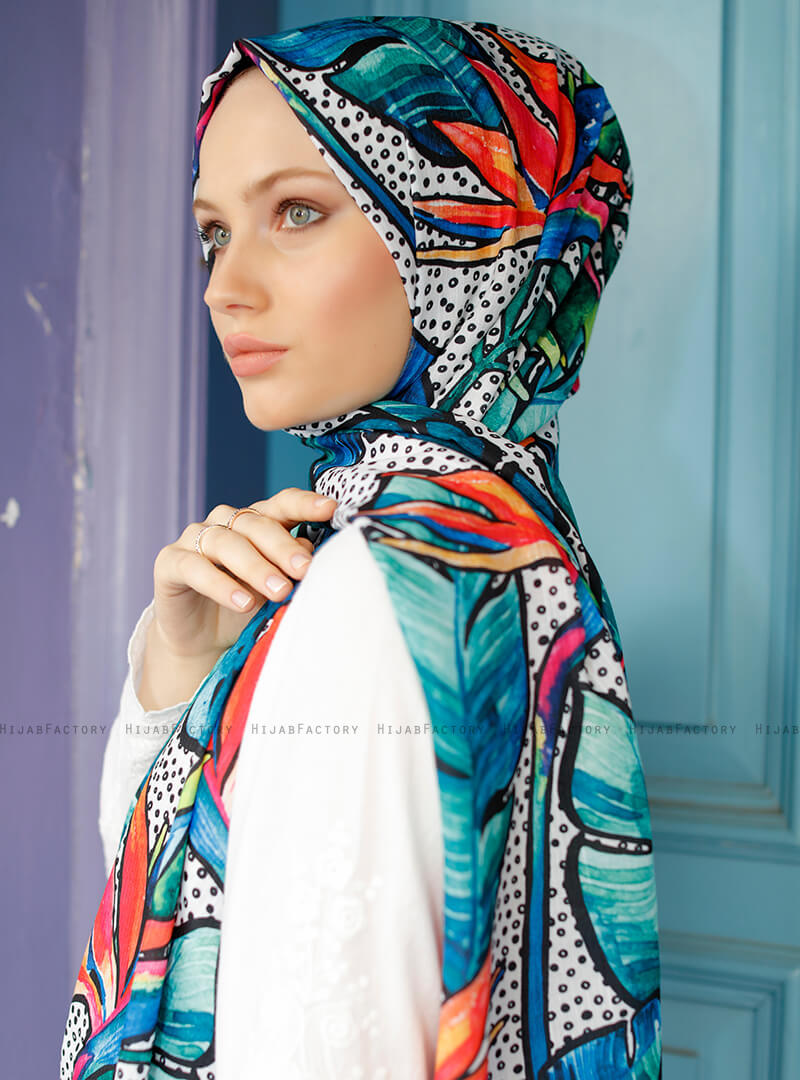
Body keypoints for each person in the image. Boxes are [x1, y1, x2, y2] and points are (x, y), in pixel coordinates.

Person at [61, 15, 662, 1079]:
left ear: (468, 234)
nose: (222, 286)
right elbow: (206, 908)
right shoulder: (496, 530)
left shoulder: (381, 582)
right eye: (214, 232)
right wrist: (183, 663)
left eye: (296, 212)